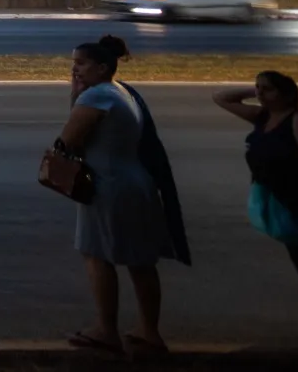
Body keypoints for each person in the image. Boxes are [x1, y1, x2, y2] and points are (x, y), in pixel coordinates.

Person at [55, 35, 179, 356]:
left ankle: (106, 329)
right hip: (133, 181)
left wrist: (75, 96)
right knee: (140, 262)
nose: (74, 69)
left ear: (101, 67)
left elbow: (67, 141)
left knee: (97, 255)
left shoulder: (95, 97)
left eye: (80, 64)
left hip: (107, 185)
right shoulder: (120, 91)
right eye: (73, 64)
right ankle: (149, 331)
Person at [214, 71, 298, 299]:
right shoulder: (264, 117)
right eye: (258, 87)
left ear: (286, 94)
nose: (260, 93)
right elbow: (221, 97)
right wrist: (258, 91)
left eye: (267, 89)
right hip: (283, 203)